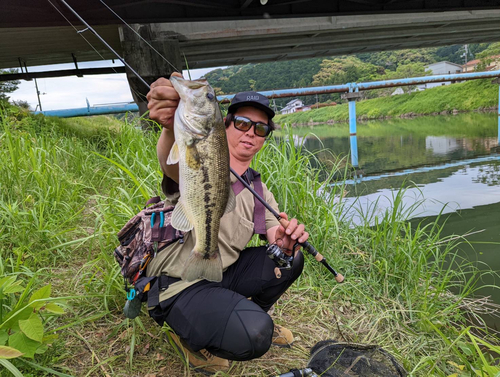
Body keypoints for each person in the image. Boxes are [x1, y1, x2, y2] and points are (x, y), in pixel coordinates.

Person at [145, 72, 309, 375]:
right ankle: (192, 341)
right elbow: (172, 166)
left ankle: (244, 312)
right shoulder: (202, 158)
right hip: (179, 282)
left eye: (260, 129)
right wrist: (169, 127)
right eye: (243, 123)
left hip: (218, 271)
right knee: (255, 335)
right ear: (225, 124)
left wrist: (284, 242)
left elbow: (273, 229)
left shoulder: (258, 188)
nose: (251, 133)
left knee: (292, 258)